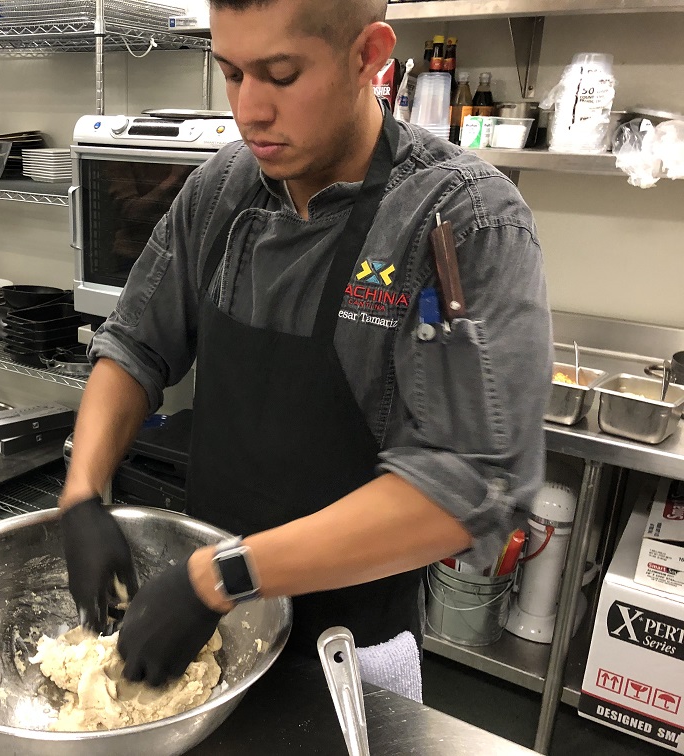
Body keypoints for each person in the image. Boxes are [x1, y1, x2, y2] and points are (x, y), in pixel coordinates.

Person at [58, 0, 552, 687]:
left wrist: (220, 575)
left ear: (368, 56)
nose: (249, 110)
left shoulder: (459, 220)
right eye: (230, 73)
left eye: (281, 75)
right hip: (211, 637)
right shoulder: (222, 191)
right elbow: (136, 342)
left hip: (354, 653)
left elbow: (471, 481)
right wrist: (82, 491)